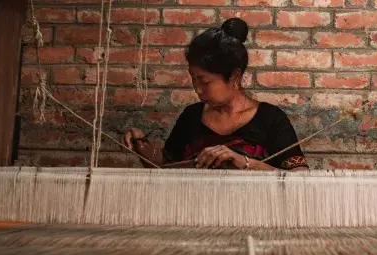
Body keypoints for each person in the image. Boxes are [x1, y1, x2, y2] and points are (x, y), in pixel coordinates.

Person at [122, 18, 308, 171]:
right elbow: (167, 171)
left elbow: (300, 179)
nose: (197, 88)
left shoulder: (271, 119)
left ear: (234, 76)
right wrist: (143, 146)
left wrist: (243, 162)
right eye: (193, 79)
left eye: (205, 81)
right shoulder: (191, 117)